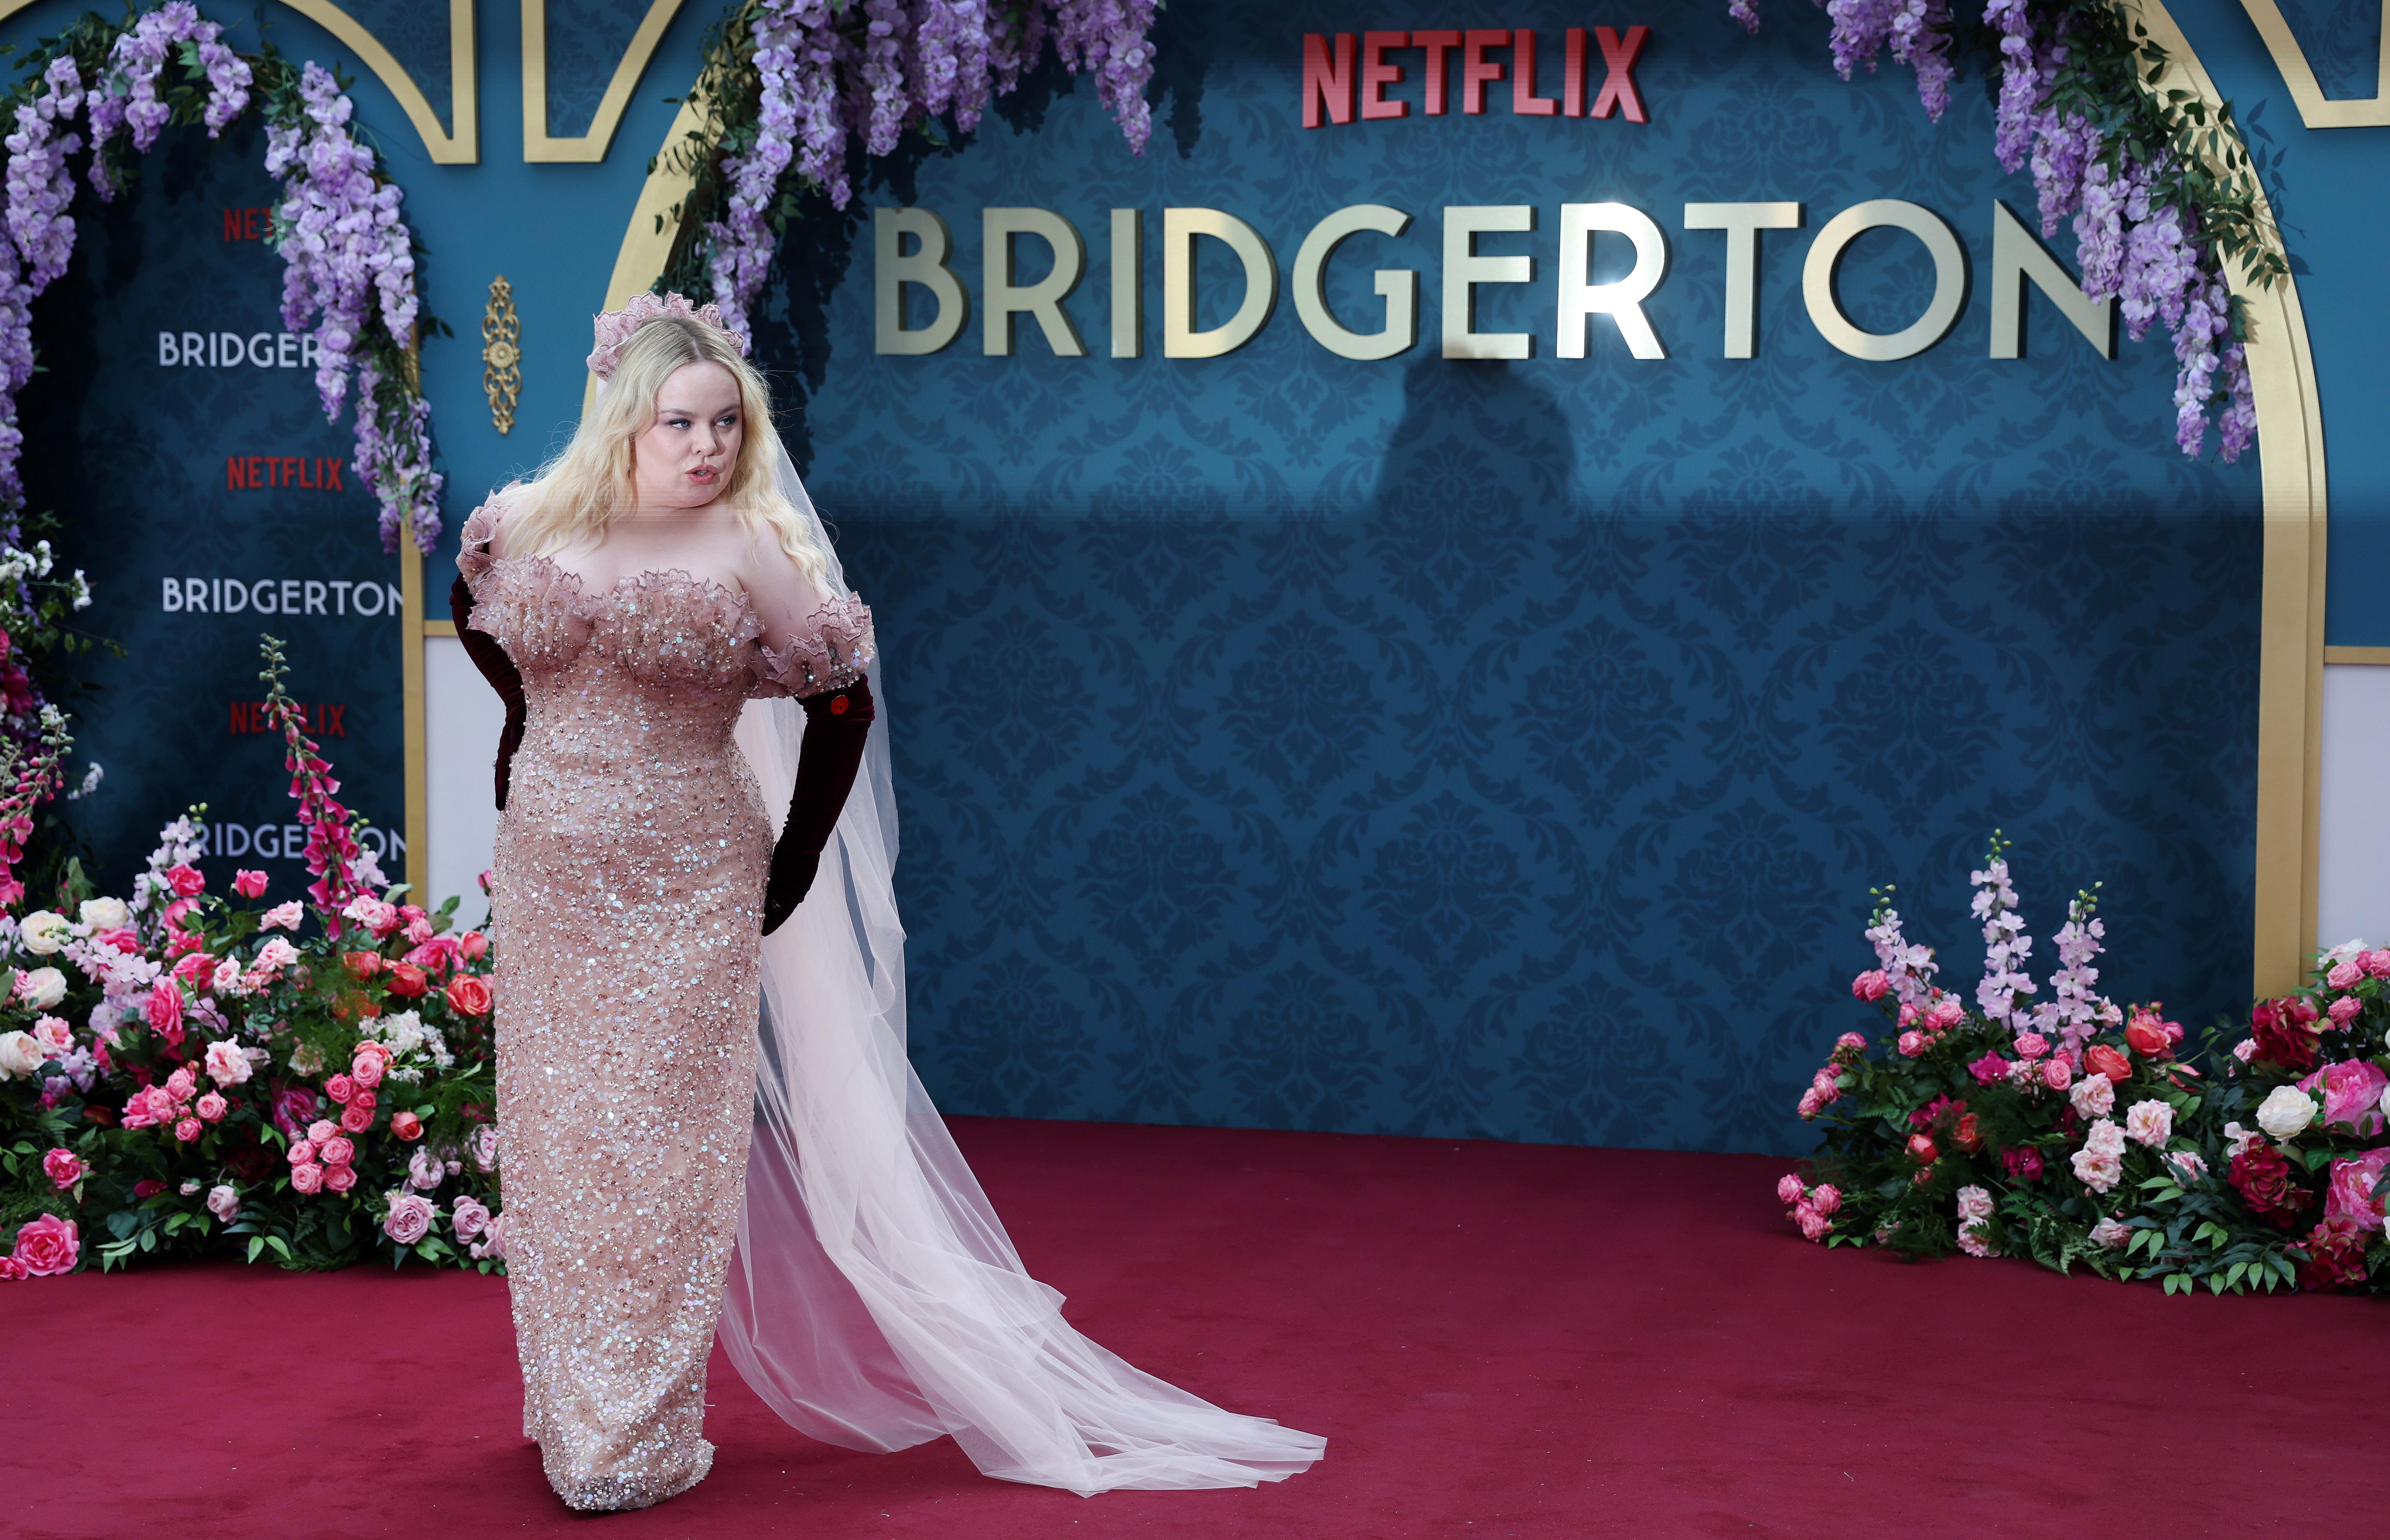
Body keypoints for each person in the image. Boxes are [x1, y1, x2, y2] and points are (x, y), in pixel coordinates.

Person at [451, 294, 1325, 1511]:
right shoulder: (524, 524)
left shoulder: (753, 552)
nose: (707, 448)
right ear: (622, 424)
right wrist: (519, 733)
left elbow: (840, 705)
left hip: (694, 882)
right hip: (552, 881)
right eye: (679, 424)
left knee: (661, 1155)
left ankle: (629, 1441)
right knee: (561, 1149)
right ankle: (570, 1406)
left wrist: (796, 858)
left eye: (725, 424)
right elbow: (484, 618)